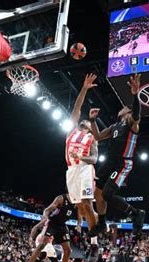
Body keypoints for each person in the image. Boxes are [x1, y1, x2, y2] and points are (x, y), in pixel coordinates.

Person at [88, 74, 145, 239]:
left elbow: (137, 115)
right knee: (97, 194)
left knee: (106, 194)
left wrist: (135, 95)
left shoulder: (131, 123)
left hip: (122, 163)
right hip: (109, 163)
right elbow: (97, 136)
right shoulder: (114, 126)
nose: (121, 108)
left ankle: (135, 213)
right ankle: (102, 223)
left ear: (128, 111)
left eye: (124, 107)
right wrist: (92, 120)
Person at [65, 73, 99, 234]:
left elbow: (94, 159)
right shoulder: (71, 131)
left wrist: (81, 157)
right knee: (80, 207)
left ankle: (93, 240)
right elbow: (77, 107)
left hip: (85, 169)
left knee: (87, 203)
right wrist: (84, 88)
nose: (84, 120)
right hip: (71, 171)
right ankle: (96, 221)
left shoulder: (92, 138)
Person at [20, 194, 76, 262]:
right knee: (43, 250)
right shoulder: (50, 217)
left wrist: (79, 224)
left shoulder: (75, 204)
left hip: (53, 236)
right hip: (42, 237)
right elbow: (35, 227)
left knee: (56, 258)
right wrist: (30, 237)